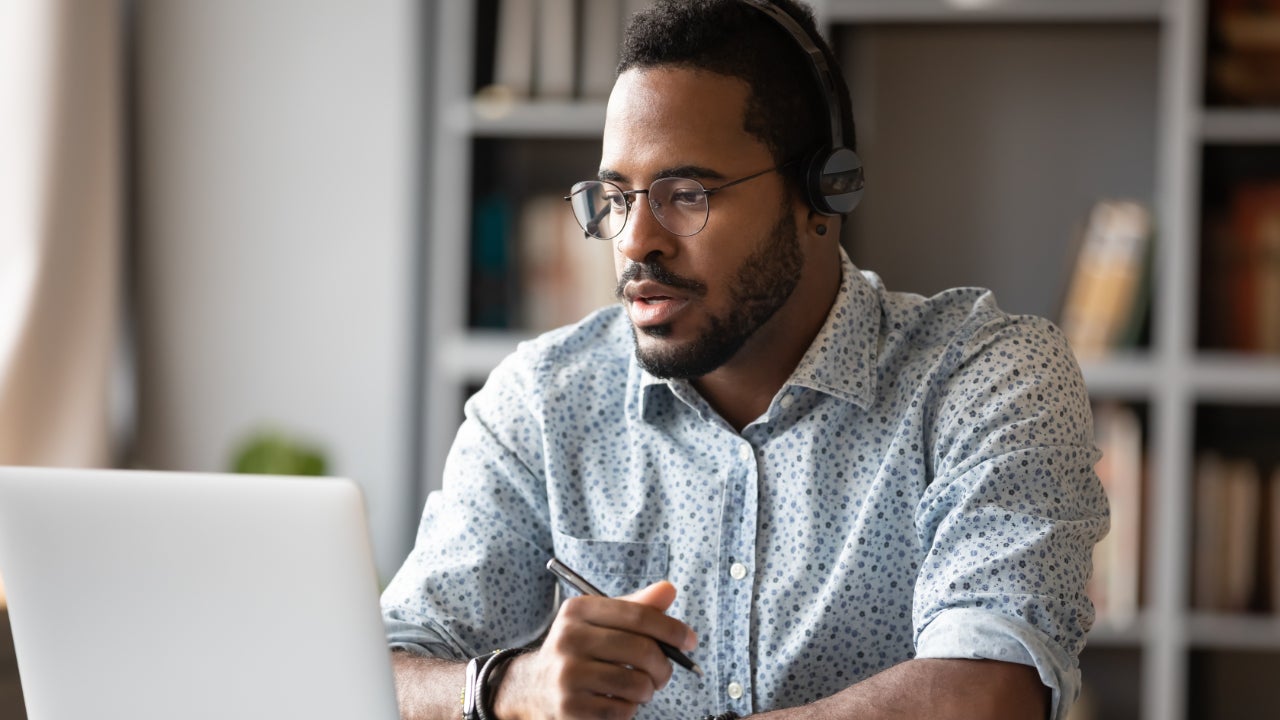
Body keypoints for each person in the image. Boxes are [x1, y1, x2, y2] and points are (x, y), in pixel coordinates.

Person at [381, 1, 1109, 719]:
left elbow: (985, 694)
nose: (636, 241)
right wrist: (509, 688)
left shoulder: (985, 378)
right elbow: (380, 670)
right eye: (616, 197)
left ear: (825, 191)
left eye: (686, 194)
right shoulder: (543, 400)